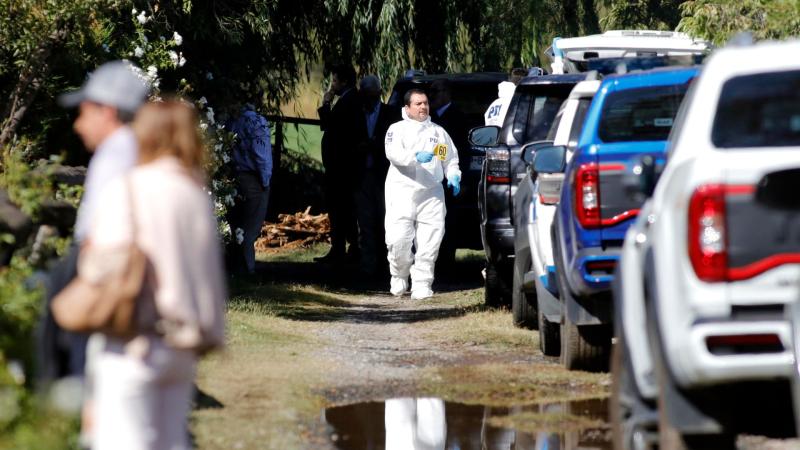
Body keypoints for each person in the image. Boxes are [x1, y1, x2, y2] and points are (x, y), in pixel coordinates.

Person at [85, 100, 226, 450]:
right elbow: (209, 271)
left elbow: (102, 265)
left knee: (124, 441)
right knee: (171, 441)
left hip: (134, 338)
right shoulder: (195, 193)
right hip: (182, 342)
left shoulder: (130, 187)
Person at [41, 60, 149, 382]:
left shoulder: (116, 155)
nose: (77, 125)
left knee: (75, 354)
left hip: (98, 262)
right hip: (104, 260)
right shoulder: (129, 149)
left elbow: (104, 227)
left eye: (85, 112)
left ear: (109, 111)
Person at [384, 89, 461, 299]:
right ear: (407, 107)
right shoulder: (396, 130)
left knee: (430, 242)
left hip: (432, 193)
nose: (423, 107)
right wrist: (415, 156)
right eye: (418, 104)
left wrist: (453, 174)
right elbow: (393, 153)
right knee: (398, 240)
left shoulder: (438, 133)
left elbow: (449, 158)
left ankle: (422, 284)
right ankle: (399, 275)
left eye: (425, 103)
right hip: (402, 191)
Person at [353, 75, 401, 276]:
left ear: (380, 94)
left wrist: (376, 146)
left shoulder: (391, 114)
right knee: (365, 222)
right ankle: (367, 267)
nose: (370, 100)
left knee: (387, 221)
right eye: (367, 96)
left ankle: (387, 266)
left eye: (374, 96)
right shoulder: (355, 114)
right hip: (361, 175)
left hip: (385, 176)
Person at [316, 64, 361, 263]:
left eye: (335, 80)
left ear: (344, 81)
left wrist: (326, 104)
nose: (332, 85)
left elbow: (331, 126)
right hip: (338, 167)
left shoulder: (350, 101)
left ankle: (345, 249)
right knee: (338, 209)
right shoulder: (347, 100)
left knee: (342, 209)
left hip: (342, 168)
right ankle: (340, 248)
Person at [428, 79, 469, 275]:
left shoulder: (457, 117)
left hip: (448, 177)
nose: (431, 96)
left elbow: (457, 149)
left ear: (446, 93)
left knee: (448, 221)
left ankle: (446, 265)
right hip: (428, 178)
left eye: (435, 91)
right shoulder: (429, 118)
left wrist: (435, 153)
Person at [228, 100, 272, 275]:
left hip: (235, 177)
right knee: (250, 228)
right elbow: (261, 154)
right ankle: (247, 269)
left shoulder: (231, 121)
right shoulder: (257, 121)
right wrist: (265, 180)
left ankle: (235, 266)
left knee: (236, 225)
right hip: (253, 178)